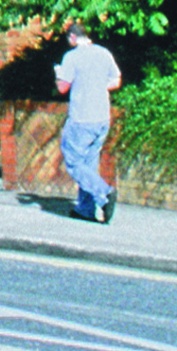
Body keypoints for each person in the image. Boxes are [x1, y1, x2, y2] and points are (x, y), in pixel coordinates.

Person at [54, 22, 123, 222]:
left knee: (74, 162)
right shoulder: (104, 53)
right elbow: (116, 80)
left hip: (81, 118)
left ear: (73, 37)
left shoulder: (71, 57)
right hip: (102, 118)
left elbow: (62, 88)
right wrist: (97, 86)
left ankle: (105, 193)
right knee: (89, 165)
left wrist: (58, 73)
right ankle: (85, 209)